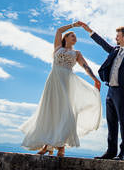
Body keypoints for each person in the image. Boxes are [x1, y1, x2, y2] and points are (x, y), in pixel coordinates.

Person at [19, 21, 102, 157]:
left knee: (66, 113)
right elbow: (58, 30)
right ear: (66, 38)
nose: (75, 37)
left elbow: (85, 67)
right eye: (72, 35)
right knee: (50, 112)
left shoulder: (77, 53)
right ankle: (47, 145)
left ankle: (61, 146)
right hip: (53, 82)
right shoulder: (57, 47)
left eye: (76, 36)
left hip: (66, 83)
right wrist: (73, 25)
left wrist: (95, 79)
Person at [80, 22, 124, 161]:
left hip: (123, 92)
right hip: (110, 91)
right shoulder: (114, 50)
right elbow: (102, 43)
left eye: (118, 36)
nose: (116, 38)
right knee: (111, 123)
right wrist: (89, 31)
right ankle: (111, 151)